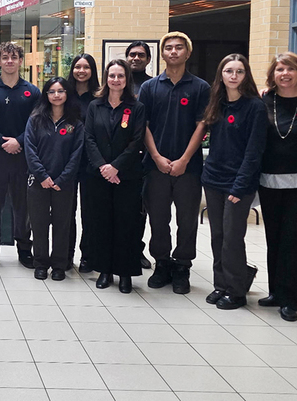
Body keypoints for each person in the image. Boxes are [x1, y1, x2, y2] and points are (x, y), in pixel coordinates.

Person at [140, 31, 210, 294]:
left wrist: (184, 159)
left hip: (188, 168)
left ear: (187, 53)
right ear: (162, 53)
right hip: (155, 166)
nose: (173, 52)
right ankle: (162, 263)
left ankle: (182, 266)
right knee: (158, 218)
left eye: (179, 47)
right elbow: (143, 126)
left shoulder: (200, 87)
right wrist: (157, 157)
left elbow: (201, 126)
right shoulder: (150, 88)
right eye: (168, 48)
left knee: (187, 219)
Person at [200, 54, 267, 310]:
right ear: (221, 75)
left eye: (239, 71)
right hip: (214, 178)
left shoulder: (254, 107)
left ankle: (237, 290)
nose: (233, 76)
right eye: (229, 71)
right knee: (217, 235)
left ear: (246, 75)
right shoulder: (216, 104)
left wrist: (240, 186)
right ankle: (222, 284)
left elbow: (254, 152)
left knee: (232, 237)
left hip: (239, 183)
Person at [258, 52, 297, 321]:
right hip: (269, 181)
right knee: (274, 239)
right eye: (280, 69)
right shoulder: (265, 100)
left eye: (290, 69)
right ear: (273, 73)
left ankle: (291, 299)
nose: (285, 74)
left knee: (293, 241)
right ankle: (276, 292)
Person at [83, 59, 146, 293]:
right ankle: (105, 270)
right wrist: (103, 166)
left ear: (127, 79)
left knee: (127, 224)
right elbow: (88, 138)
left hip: (127, 176)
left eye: (120, 76)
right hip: (98, 176)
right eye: (112, 76)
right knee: (102, 222)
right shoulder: (95, 106)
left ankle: (126, 273)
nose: (116, 80)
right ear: (106, 78)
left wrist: (116, 167)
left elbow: (136, 141)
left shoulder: (136, 107)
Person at [0, 41, 40, 269]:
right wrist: (2, 141)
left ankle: (24, 249)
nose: (10, 61)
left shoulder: (32, 92)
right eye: (5, 58)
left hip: (22, 155)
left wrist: (19, 141)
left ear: (21, 61)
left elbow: (36, 123)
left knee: (22, 205)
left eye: (14, 57)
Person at [24, 77, 84, 280]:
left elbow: (77, 153)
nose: (56, 95)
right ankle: (40, 263)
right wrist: (42, 175)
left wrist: (63, 178)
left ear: (67, 93)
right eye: (51, 91)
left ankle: (59, 265)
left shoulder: (75, 122)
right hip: (38, 182)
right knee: (38, 224)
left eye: (60, 91)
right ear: (46, 95)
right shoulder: (35, 119)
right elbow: (30, 150)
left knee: (62, 224)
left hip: (64, 184)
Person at [67, 54, 98, 273]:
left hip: (90, 162)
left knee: (90, 211)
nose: (81, 71)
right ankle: (65, 254)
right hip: (66, 160)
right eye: (77, 66)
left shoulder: (98, 97)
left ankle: (88, 255)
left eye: (86, 67)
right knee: (66, 212)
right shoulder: (64, 95)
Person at [126, 40, 155, 270]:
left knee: (139, 208)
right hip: (115, 156)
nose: (136, 58)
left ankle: (137, 249)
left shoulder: (151, 86)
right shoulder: (118, 83)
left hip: (142, 156)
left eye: (141, 55)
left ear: (148, 59)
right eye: (132, 54)